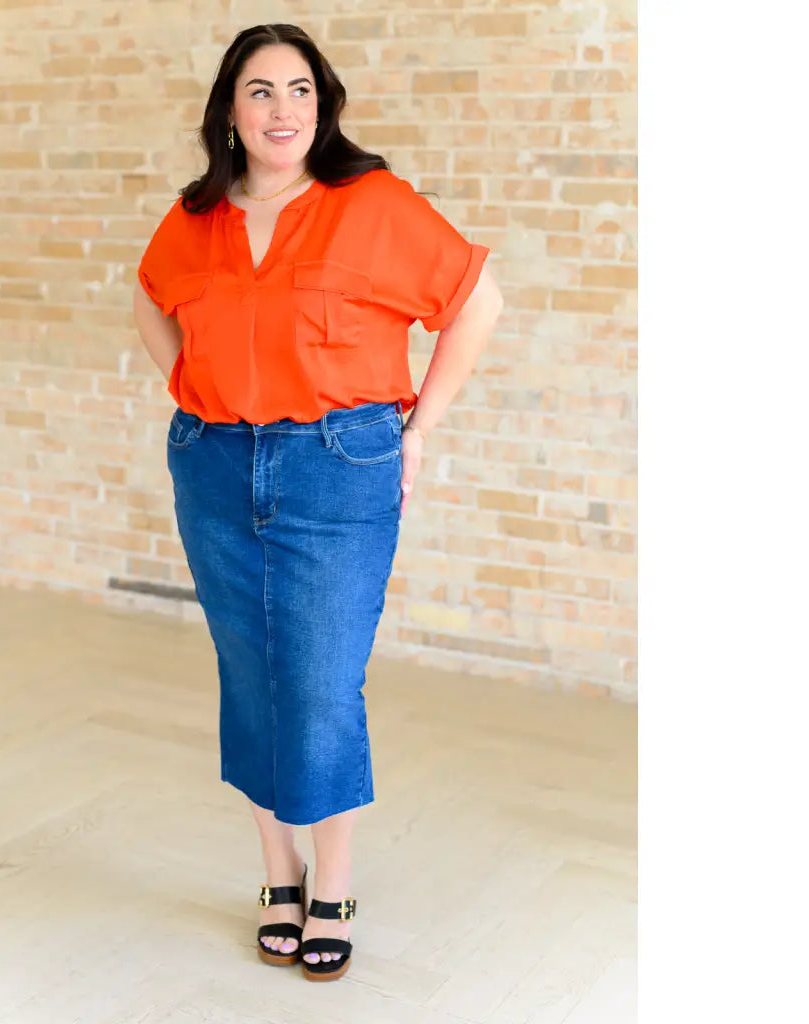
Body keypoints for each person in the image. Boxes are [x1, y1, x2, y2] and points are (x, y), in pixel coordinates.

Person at [133, 23, 503, 983]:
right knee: (250, 673)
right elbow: (150, 299)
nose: (282, 109)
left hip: (338, 467)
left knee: (321, 683)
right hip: (215, 467)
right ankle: (279, 874)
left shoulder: (371, 204)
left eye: (300, 89)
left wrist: (417, 428)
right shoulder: (197, 216)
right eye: (260, 90)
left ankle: (332, 881)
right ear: (229, 110)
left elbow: (476, 302)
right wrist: (192, 389)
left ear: (324, 105)